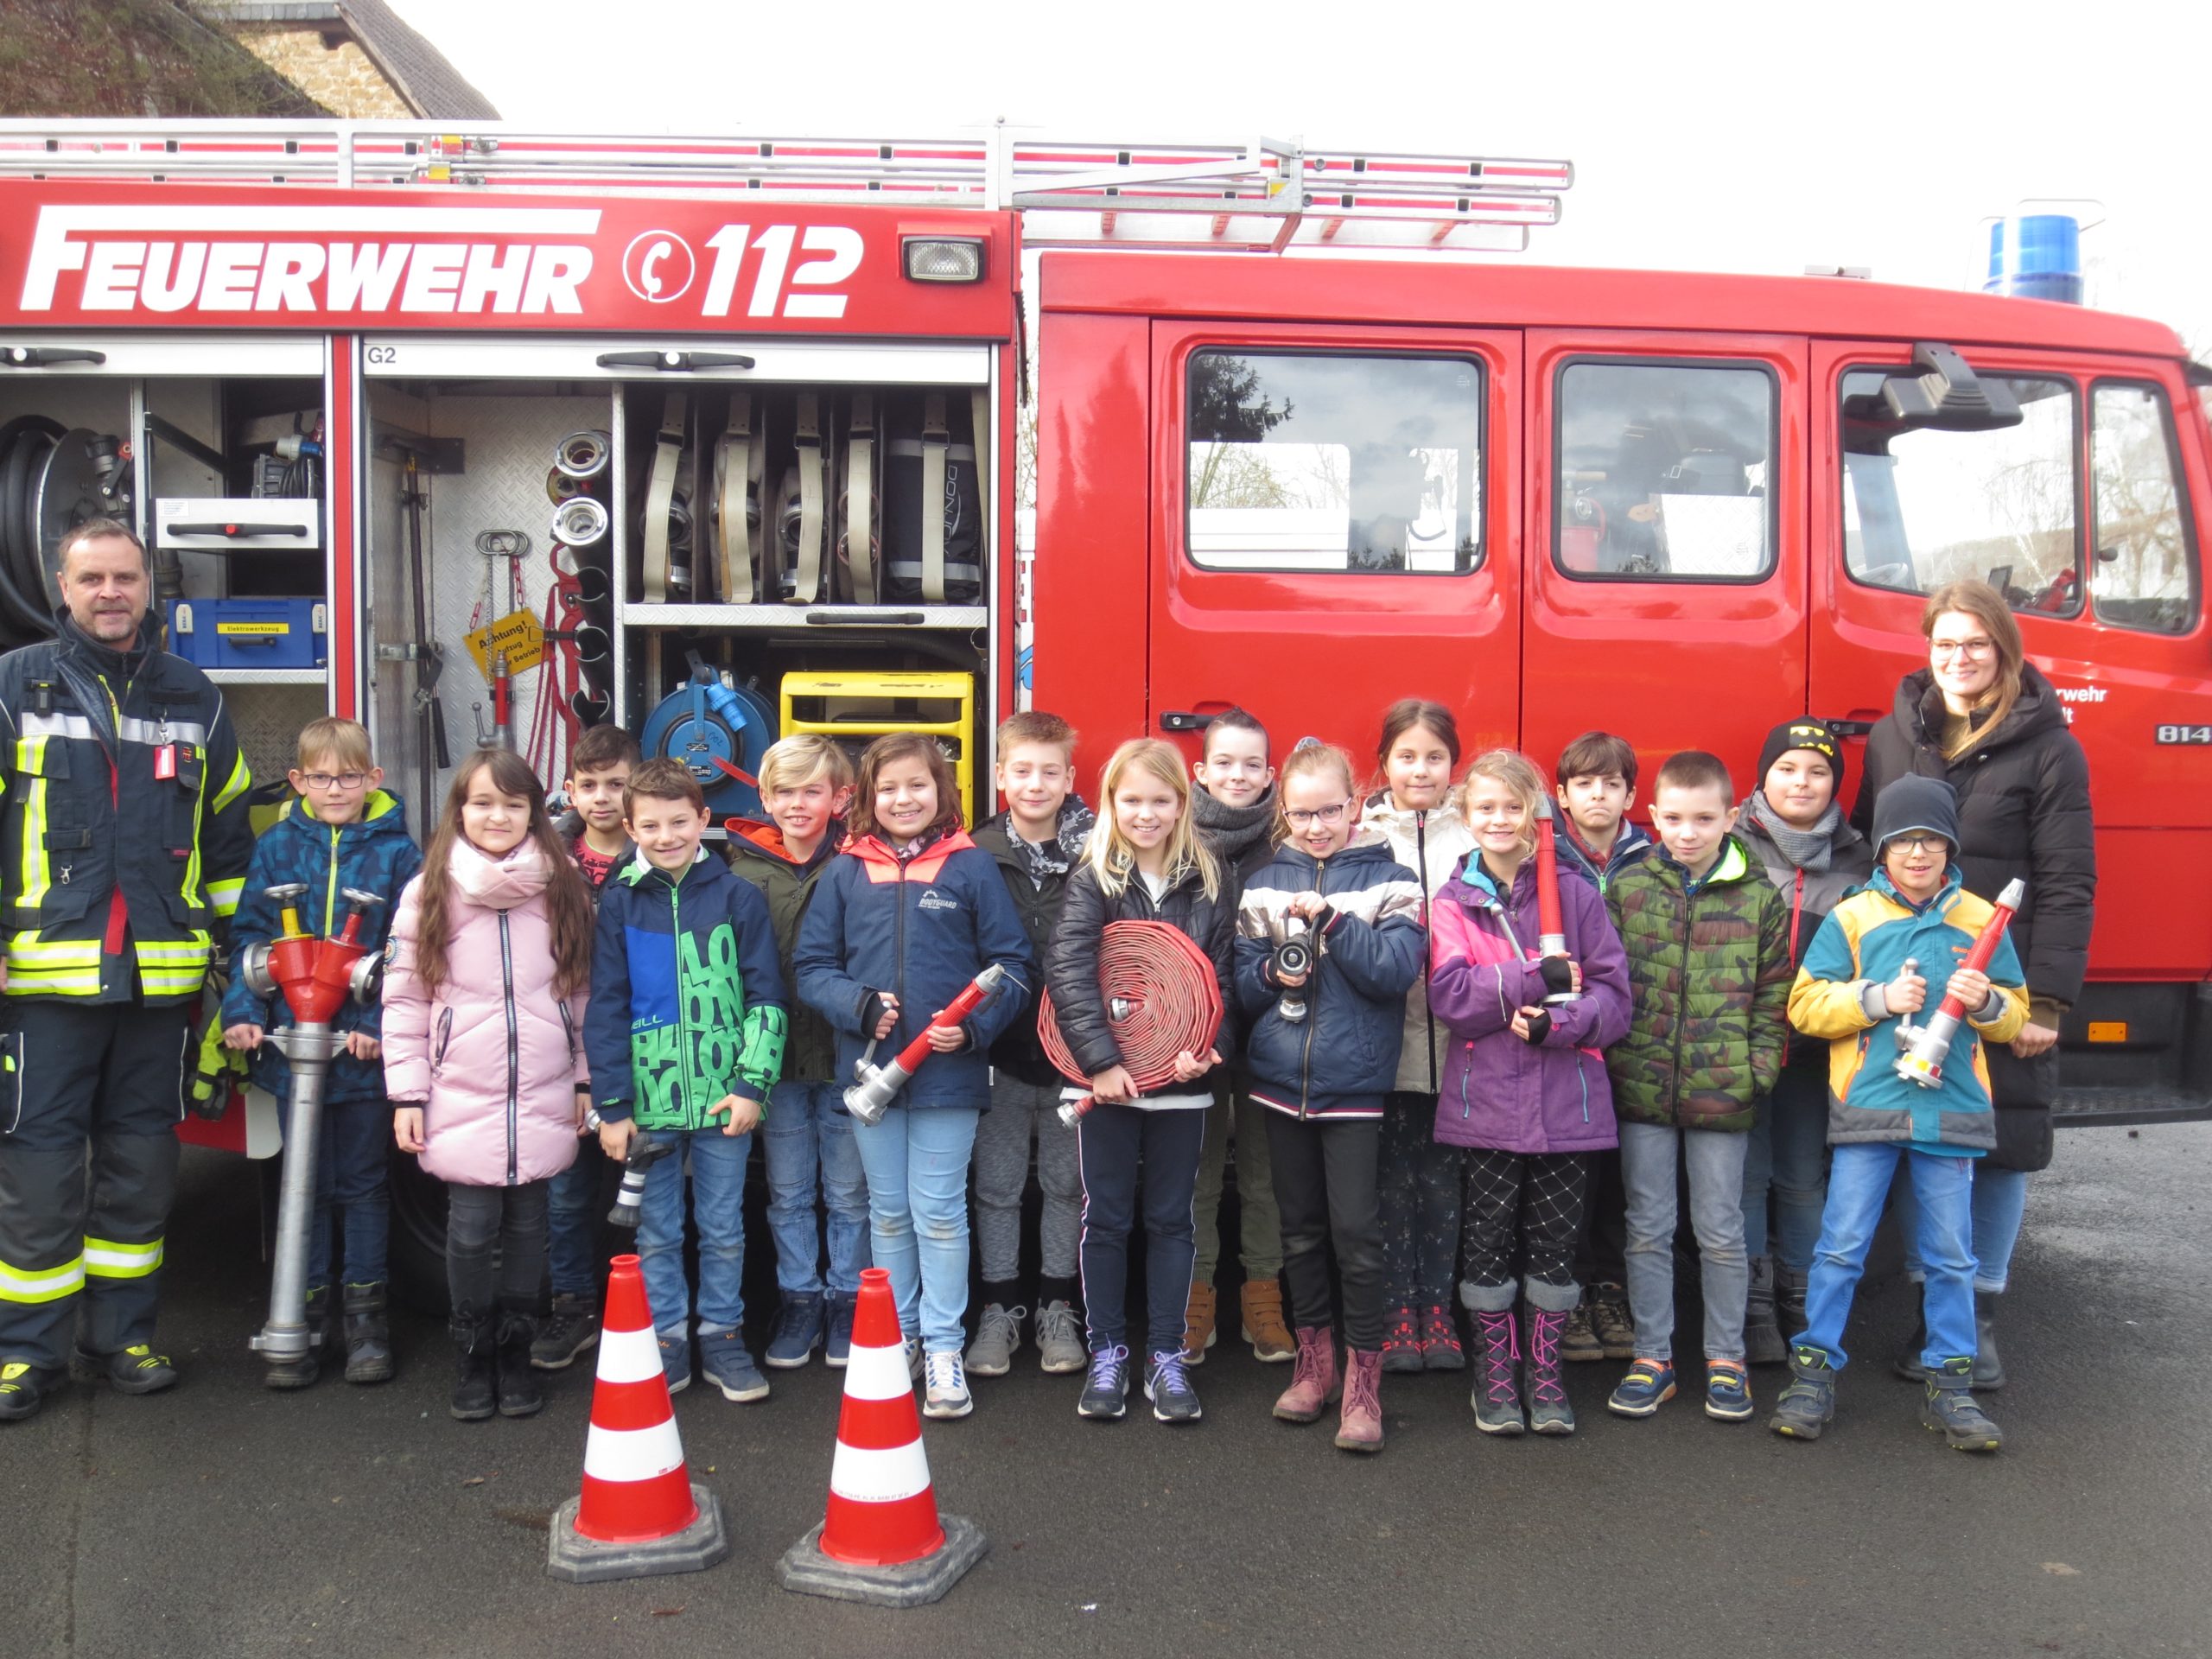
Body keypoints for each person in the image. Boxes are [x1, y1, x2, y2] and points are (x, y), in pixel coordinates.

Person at [0, 518, 253, 1423]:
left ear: (151, 588)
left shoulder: (191, 694)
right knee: (38, 1175)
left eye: (127, 578)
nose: (112, 593)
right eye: (93, 578)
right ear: (62, 587)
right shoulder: (13, 686)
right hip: (40, 988)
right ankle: (27, 1356)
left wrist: (240, 959)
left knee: (143, 1168)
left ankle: (124, 1340)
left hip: (160, 984)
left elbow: (226, 835)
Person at [1854, 581, 2094, 1389]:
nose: (1959, 659)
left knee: (2000, 1148)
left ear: (2004, 651)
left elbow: (2067, 882)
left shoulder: (2050, 748)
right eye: (1944, 643)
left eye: (1976, 644)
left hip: (2003, 987)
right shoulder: (1894, 737)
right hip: (1913, 983)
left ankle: (1979, 1320)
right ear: (1927, 649)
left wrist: (2048, 1003)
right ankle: (1932, 1308)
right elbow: (1866, 855)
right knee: (1926, 1139)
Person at [1771, 776, 2025, 1452]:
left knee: (1949, 1256)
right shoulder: (1853, 917)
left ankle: (1952, 1387)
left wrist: (1990, 1005)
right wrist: (1879, 999)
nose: (1919, 853)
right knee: (1841, 1248)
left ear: (1950, 848)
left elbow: (2016, 1013)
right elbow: (1805, 1005)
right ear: (1882, 849)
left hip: (1952, 1113)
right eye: (1905, 840)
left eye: (1933, 840)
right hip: (1871, 1106)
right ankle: (1813, 1377)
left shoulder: (1979, 918)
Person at [794, 732, 1033, 1421]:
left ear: (942, 793)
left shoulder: (971, 867)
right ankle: (896, 1342)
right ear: (868, 798)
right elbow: (812, 968)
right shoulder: (845, 871)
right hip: (870, 1076)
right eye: (889, 788)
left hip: (950, 1078)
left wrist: (975, 1028)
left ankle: (944, 1348)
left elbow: (1014, 967)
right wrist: (858, 1006)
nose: (904, 799)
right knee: (889, 1214)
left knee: (938, 1214)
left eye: (918, 786)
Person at [383, 748, 594, 1422]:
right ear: (460, 811)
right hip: (459, 1092)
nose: (497, 816)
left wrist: (587, 1080)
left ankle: (515, 1352)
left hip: (544, 1088)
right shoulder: (428, 889)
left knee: (532, 1230)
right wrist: (409, 1094)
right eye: (482, 803)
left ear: (535, 812)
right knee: (470, 1231)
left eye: (512, 804)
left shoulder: (564, 887)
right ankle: (473, 1352)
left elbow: (585, 995)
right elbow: (405, 1000)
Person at [1428, 749, 1630, 1436]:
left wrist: (1559, 1023)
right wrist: (1529, 977)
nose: (1499, 819)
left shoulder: (1574, 893)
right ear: (1465, 815)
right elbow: (1451, 997)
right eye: (1485, 807)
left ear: (1535, 816)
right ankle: (1495, 1374)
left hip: (1567, 1103)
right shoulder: (1455, 903)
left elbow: (1614, 998)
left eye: (1513, 807)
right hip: (1484, 1105)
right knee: (1485, 1241)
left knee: (1554, 1245)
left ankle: (1544, 1375)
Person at [1235, 741, 1424, 1452]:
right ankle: (1313, 1369)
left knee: (1358, 1237)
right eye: (1302, 812)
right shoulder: (1263, 877)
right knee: (1300, 1232)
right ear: (1283, 809)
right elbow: (1242, 983)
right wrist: (1272, 980)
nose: (1317, 826)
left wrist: (1335, 924)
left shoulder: (1392, 878)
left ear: (1355, 802)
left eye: (1330, 810)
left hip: (1354, 1086)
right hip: (1281, 1084)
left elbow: (1396, 971)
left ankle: (1363, 1383)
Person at [220, 717, 421, 1389]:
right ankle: (303, 1316)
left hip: (360, 1055)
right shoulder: (278, 849)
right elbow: (253, 939)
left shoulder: (397, 856)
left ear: (374, 780)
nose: (337, 789)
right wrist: (247, 1013)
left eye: (351, 777)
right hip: (291, 1051)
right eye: (322, 778)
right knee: (300, 1185)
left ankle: (366, 1323)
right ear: (299, 781)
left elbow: (405, 950)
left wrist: (377, 1025)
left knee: (362, 1186)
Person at [1046, 739, 1236, 1424]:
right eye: (1132, 800)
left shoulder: (1211, 878)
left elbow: (1225, 981)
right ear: (1110, 804)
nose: (1146, 813)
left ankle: (1165, 1357)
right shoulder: (1093, 874)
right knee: (1108, 1219)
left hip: (1181, 1087)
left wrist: (1204, 1047)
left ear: (1183, 804)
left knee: (1171, 1220)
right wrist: (1100, 1062)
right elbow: (1068, 970)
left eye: (1161, 800)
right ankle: (1108, 1355)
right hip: (1101, 1083)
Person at [587, 758, 788, 1402]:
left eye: (680, 821)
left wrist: (752, 1084)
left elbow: (766, 998)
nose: (667, 835)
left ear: (704, 819)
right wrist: (614, 1106)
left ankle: (723, 1334)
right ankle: (668, 1336)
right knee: (658, 1229)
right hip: (651, 1105)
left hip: (724, 1095)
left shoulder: (737, 896)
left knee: (725, 1224)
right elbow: (607, 1006)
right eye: (651, 824)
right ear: (630, 826)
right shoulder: (618, 903)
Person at [1603, 751, 1790, 1425]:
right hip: (1642, 1091)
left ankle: (1725, 1359)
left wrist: (1755, 1073)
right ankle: (1652, 1357)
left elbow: (1775, 1000)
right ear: (1652, 816)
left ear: (1731, 817)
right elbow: (1608, 985)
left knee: (1720, 1230)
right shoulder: (1628, 889)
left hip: (1724, 1095)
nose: (1687, 833)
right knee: (1648, 1226)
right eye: (1674, 819)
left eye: (1704, 818)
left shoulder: (1759, 896)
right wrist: (1614, 1064)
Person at [728, 734, 869, 1370]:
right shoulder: (740, 870)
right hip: (775, 1064)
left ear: (840, 797)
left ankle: (846, 1300)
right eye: (784, 791)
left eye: (813, 790)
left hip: (844, 1057)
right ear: (764, 796)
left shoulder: (859, 861)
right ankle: (799, 1299)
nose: (797, 803)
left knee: (846, 1192)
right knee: (787, 1193)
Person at [1734, 719, 1872, 1364]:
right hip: (1740, 1047)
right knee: (1746, 1178)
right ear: (1763, 776)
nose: (1802, 782)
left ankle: (1802, 1301)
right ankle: (1752, 1307)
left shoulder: (1858, 860)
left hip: (1815, 1052)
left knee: (1801, 1179)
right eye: (1787, 768)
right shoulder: (1730, 843)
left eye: (1818, 772)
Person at [967, 712, 1093, 1379]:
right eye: (1022, 771)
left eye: (1050, 771)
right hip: (1000, 1052)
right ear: (1000, 776)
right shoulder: (974, 853)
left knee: (1066, 1185)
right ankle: (999, 1308)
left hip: (1077, 1055)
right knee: (997, 1187)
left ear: (1071, 777)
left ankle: (1056, 1307)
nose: (1036, 784)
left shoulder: (1103, 850)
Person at [1363, 699, 1478, 1373]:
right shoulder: (1364, 837)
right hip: (1388, 1045)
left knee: (1442, 1182)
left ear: (1452, 763)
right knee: (1389, 1182)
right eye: (1407, 756)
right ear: (1385, 763)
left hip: (1460, 1048)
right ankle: (1397, 1308)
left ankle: (1438, 1307)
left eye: (1434, 756)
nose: (1421, 769)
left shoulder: (1474, 835)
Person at [1185, 708, 1294, 1364]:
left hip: (1267, 1038)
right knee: (1193, 1176)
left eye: (1252, 764)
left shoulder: (1285, 844)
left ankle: (1263, 1296)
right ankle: (1194, 1295)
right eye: (1224, 762)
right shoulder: (1173, 836)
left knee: (1264, 1175)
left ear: (1271, 774)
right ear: (1199, 771)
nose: (1238, 774)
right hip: (1191, 1042)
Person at [532, 722, 639, 1372]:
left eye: (617, 785)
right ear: (568, 789)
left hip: (639, 1049)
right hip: (561, 1050)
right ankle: (572, 1310)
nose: (602, 798)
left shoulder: (661, 854)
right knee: (568, 1193)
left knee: (640, 1193)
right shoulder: (544, 862)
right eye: (589, 785)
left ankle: (640, 1312)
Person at [1549, 730, 1652, 1367]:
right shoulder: (1547, 861)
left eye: (1611, 784)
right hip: (1570, 1047)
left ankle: (1611, 1290)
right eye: (1584, 783)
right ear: (1561, 795)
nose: (1598, 794)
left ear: (1630, 794)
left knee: (1622, 1180)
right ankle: (1574, 1292)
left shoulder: (1653, 859)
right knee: (1573, 1177)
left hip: (1637, 1044)